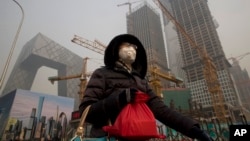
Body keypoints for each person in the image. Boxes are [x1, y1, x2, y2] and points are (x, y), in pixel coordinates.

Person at [79, 34, 213, 141]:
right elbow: (86, 112)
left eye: (134, 46)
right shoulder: (102, 74)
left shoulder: (141, 81)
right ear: (116, 49)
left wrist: (194, 130)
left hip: (139, 138)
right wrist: (119, 99)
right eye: (126, 45)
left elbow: (162, 111)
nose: (131, 49)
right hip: (110, 137)